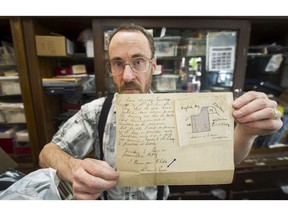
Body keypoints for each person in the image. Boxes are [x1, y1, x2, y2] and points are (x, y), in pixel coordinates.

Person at [39, 23, 283, 200]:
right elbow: (47, 153)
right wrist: (73, 168)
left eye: (138, 61)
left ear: (153, 65)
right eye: (117, 63)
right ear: (110, 67)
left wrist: (247, 131)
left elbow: (226, 156)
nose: (127, 76)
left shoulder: (179, 110)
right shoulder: (96, 112)